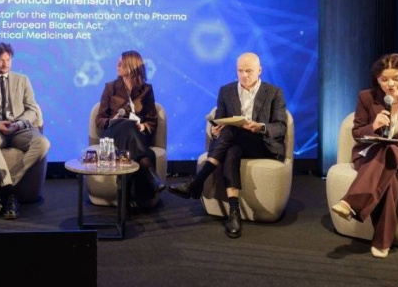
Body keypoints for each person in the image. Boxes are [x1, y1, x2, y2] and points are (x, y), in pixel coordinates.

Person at [170, 52, 287, 239]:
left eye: (249, 71)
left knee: (233, 130)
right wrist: (216, 130)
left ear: (259, 70)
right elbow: (220, 123)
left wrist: (261, 127)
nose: (244, 75)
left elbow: (281, 127)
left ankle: (197, 180)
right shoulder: (226, 91)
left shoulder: (274, 92)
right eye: (240, 71)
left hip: (261, 145)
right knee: (232, 149)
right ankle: (234, 212)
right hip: (234, 142)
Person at [330, 53, 398, 258]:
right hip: (372, 156)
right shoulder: (367, 97)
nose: (390, 84)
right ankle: (382, 241)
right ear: (377, 80)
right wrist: (374, 125)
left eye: (396, 78)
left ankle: (352, 202)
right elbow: (357, 133)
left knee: (392, 150)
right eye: (384, 79)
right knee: (389, 176)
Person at [0, 42, 50, 219]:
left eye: (8, 59)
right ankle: (8, 191)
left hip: (19, 129)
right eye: (0, 60)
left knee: (43, 143)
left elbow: (32, 109)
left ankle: (6, 188)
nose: (5, 63)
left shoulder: (22, 80)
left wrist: (19, 124)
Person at [95, 50, 165, 205]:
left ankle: (124, 196)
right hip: (113, 134)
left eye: (121, 63)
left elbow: (152, 120)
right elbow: (99, 120)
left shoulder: (146, 90)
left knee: (130, 128)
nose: (117, 66)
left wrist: (142, 126)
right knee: (126, 124)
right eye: (118, 63)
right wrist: (112, 120)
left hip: (136, 135)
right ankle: (151, 175)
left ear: (131, 66)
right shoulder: (110, 88)